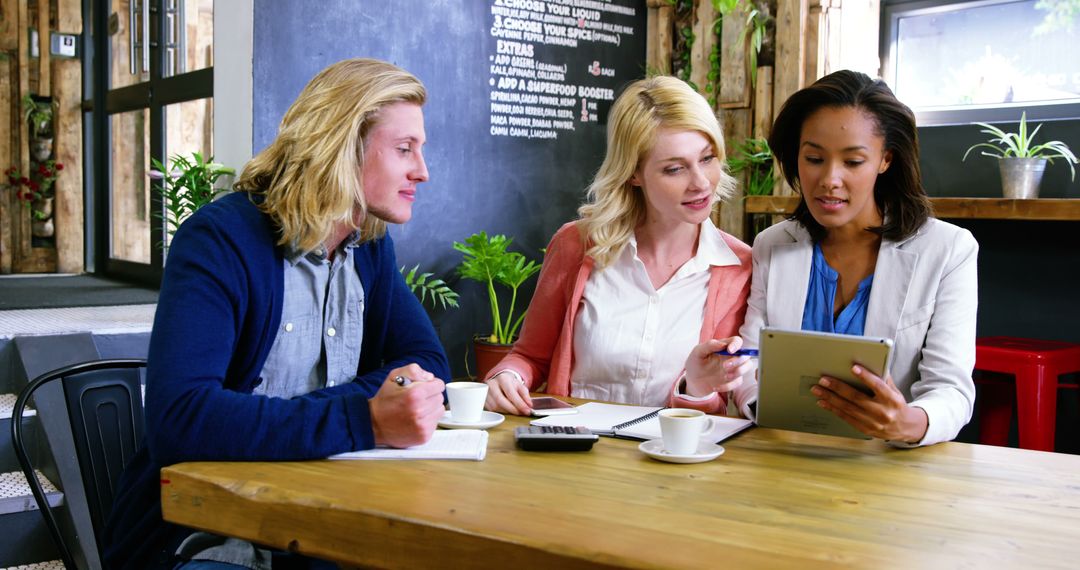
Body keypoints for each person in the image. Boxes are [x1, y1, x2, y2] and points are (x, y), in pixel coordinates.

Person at [103, 58, 450, 569]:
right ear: (341, 145)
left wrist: (363, 415)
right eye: (404, 150)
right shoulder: (221, 239)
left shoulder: (369, 247)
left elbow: (427, 362)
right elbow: (179, 418)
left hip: (326, 521)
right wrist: (363, 417)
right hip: (210, 535)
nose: (422, 170)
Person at [483, 76, 755, 417]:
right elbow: (531, 356)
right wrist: (507, 377)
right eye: (675, 169)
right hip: (577, 452)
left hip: (673, 461)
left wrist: (695, 388)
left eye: (707, 158)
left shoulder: (739, 267)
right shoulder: (575, 246)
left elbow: (718, 403)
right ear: (633, 174)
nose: (701, 183)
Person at [738, 70, 978, 446]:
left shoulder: (948, 250)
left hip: (890, 462)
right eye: (814, 158)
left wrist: (909, 423)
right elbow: (749, 364)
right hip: (783, 452)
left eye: (852, 162)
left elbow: (951, 390)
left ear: (885, 160)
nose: (830, 179)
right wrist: (757, 405)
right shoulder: (772, 245)